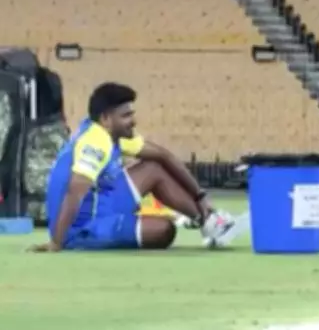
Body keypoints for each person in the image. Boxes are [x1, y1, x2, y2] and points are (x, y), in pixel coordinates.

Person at [30, 82, 236, 252]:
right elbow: (74, 192)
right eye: (126, 116)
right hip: (82, 227)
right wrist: (56, 242)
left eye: (132, 113)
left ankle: (208, 221)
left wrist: (200, 196)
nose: (133, 121)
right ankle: (79, 237)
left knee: (153, 168)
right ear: (106, 119)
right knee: (164, 230)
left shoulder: (111, 134)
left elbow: (163, 155)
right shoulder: (95, 142)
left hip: (104, 199)